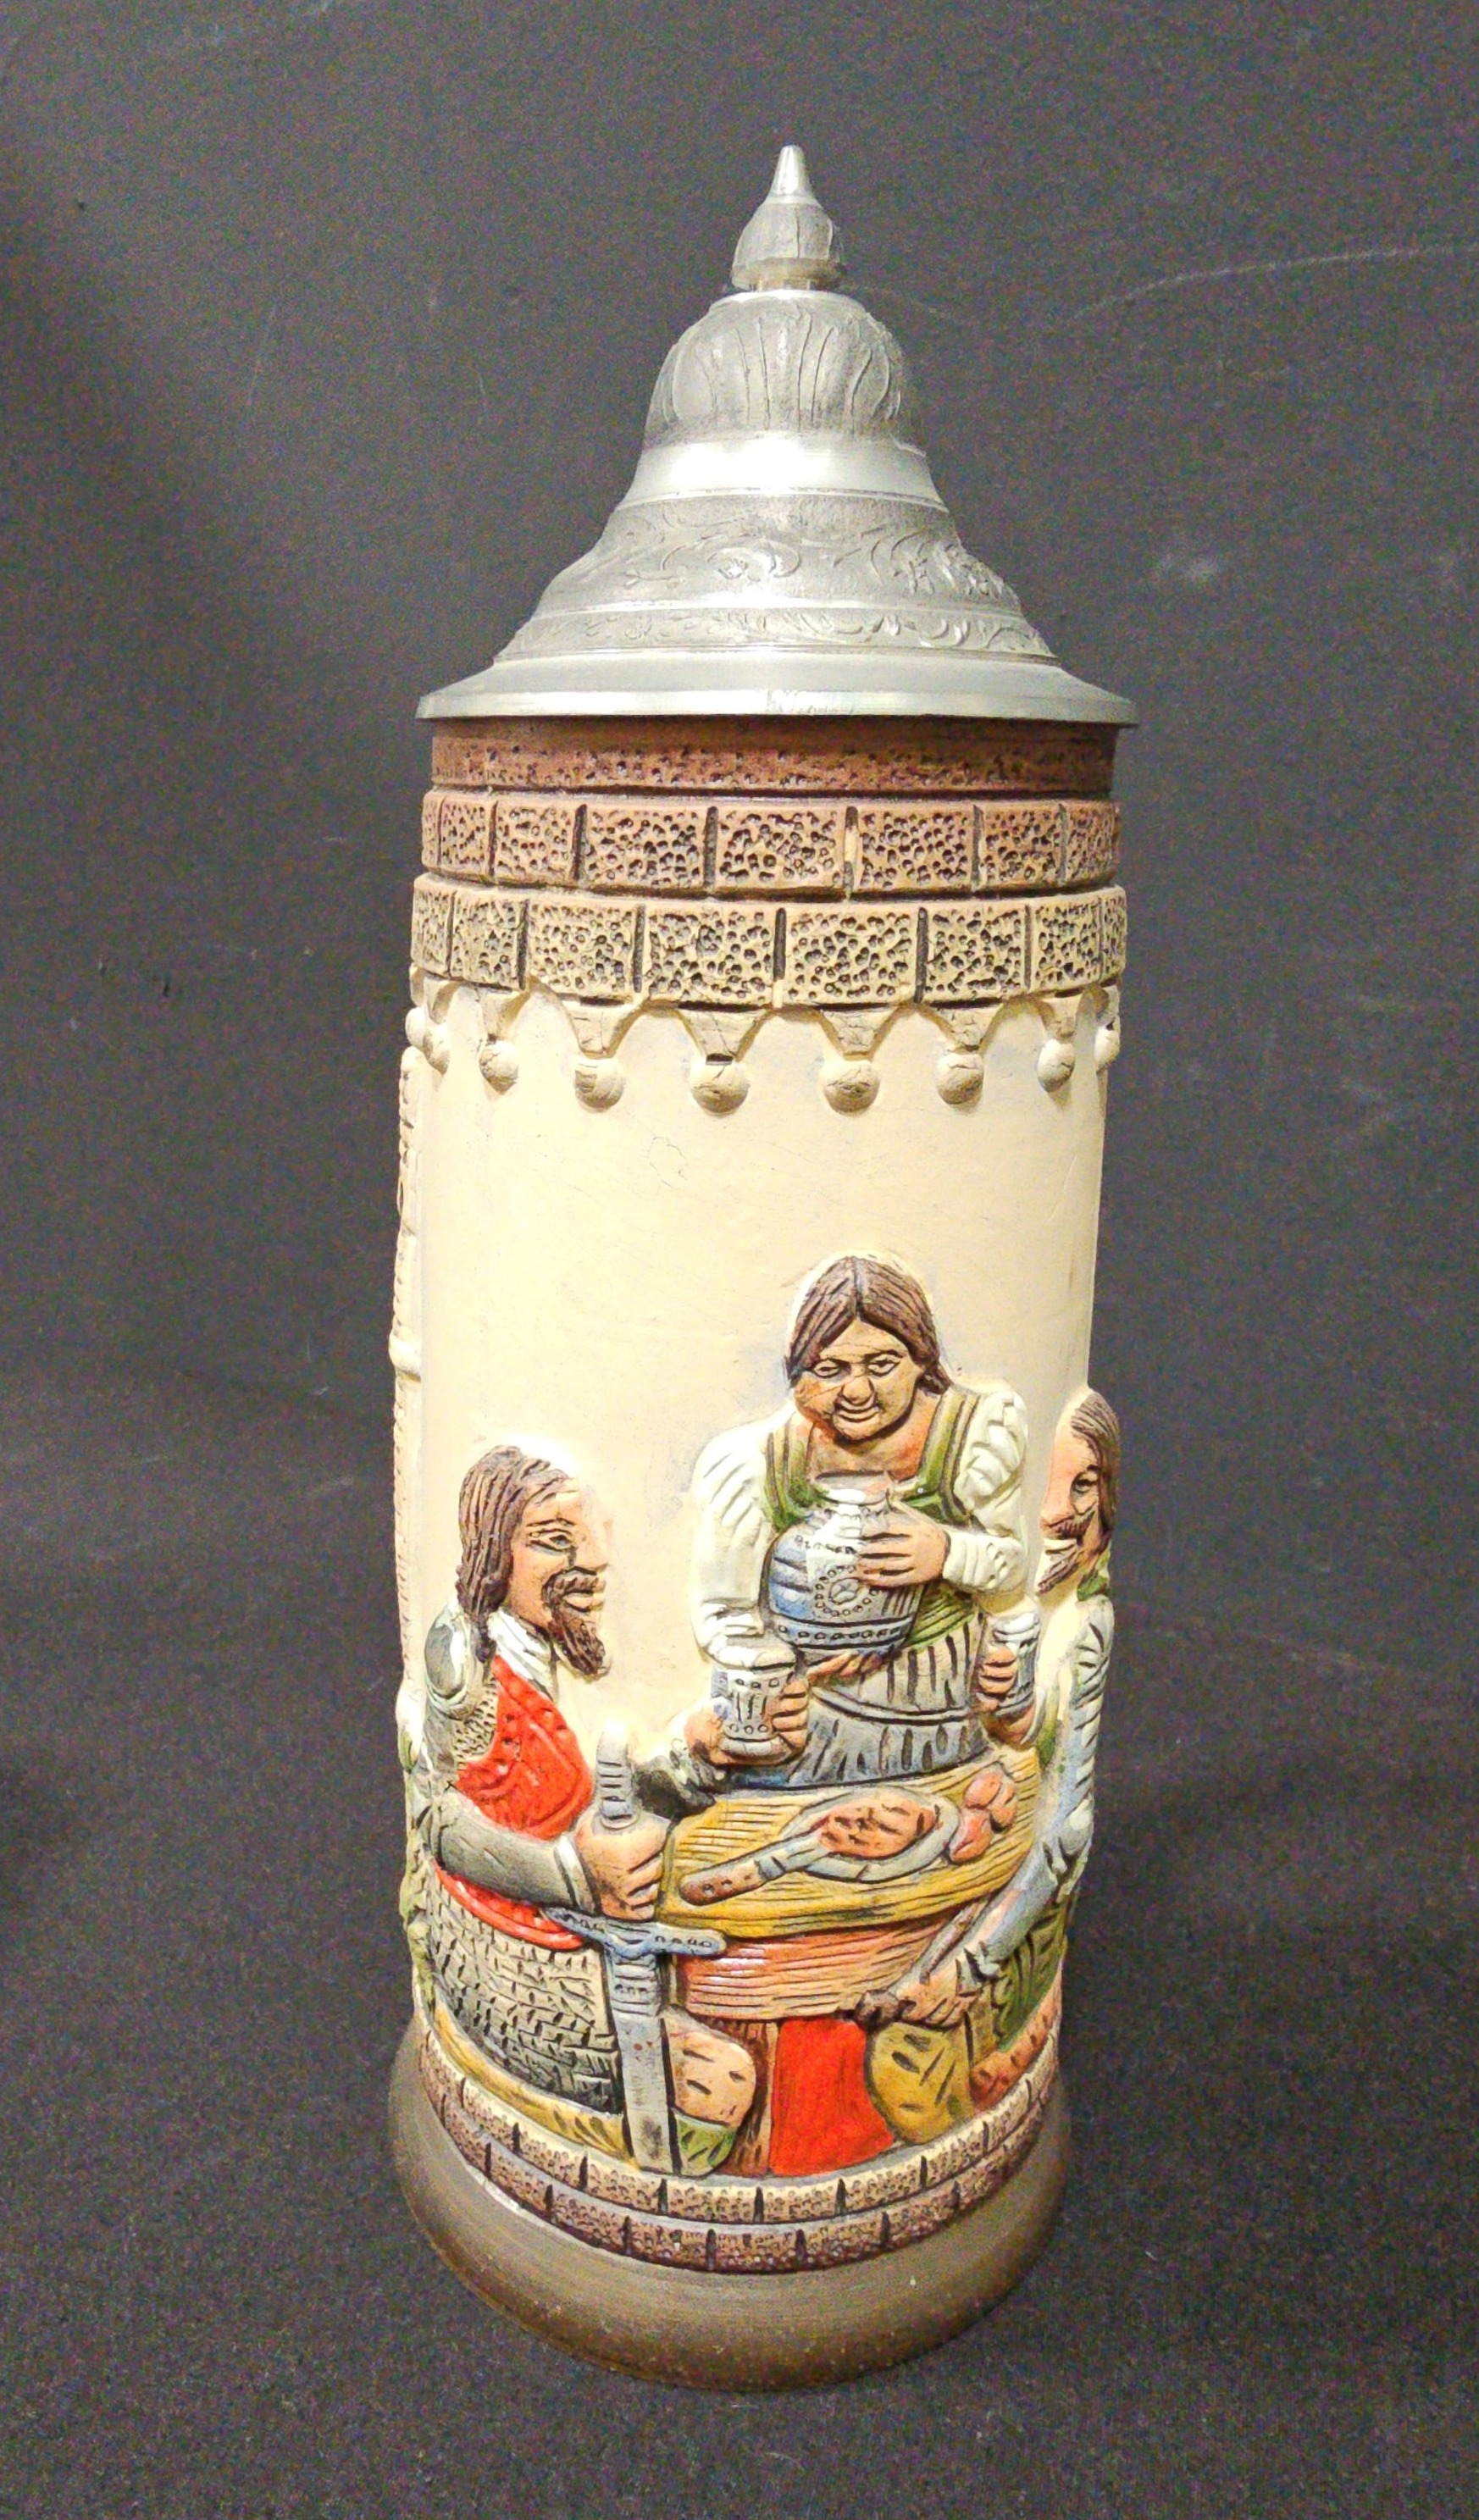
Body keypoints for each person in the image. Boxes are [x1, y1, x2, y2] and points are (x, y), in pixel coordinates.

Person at [407, 1443, 753, 2161]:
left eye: (594, 1540)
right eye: (556, 1540)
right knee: (727, 2077)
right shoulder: (469, 1663)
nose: (593, 1561)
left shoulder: (529, 1659)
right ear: (491, 1551)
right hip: (515, 1965)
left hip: (567, 1941)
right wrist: (574, 1873)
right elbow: (441, 1815)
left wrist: (690, 1763)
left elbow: (580, 1800)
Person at [688, 1254, 1030, 1788]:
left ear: (921, 1359)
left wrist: (947, 1553)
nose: (856, 1391)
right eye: (830, 1370)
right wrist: (766, 1677)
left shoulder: (973, 1433)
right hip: (809, 1714)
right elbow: (724, 1608)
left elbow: (1012, 1567)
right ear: (798, 1374)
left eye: (882, 1364)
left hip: (937, 1702)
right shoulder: (757, 1461)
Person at [860, 1386, 1121, 2030]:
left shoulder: (1084, 1626)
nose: (1053, 1513)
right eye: (1045, 1485)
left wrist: (977, 1965)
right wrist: (1011, 1705)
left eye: (1082, 1486)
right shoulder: (1010, 1615)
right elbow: (1026, 1730)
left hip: (1016, 1869)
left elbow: (1067, 1821)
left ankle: (947, 1989)